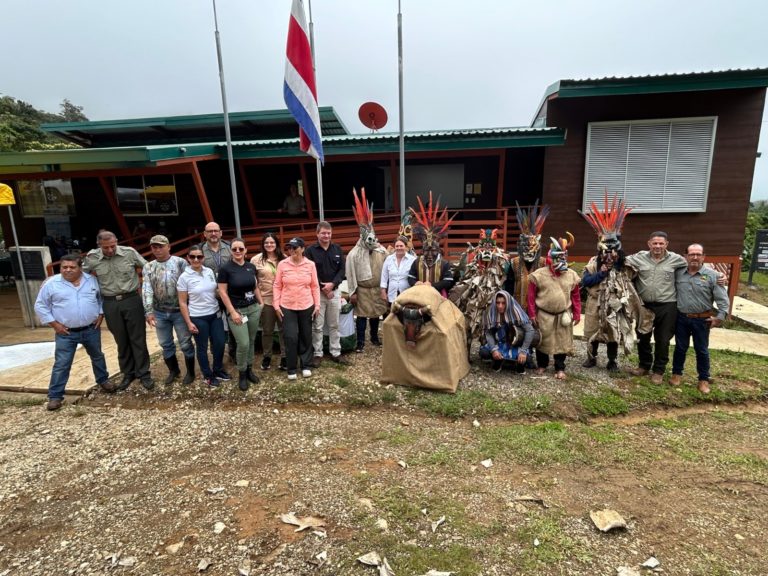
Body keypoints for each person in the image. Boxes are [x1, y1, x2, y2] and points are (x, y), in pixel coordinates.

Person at [579, 194, 651, 372]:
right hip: (595, 304)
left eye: (613, 250)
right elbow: (585, 281)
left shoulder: (625, 266)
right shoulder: (592, 263)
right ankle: (591, 358)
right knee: (593, 333)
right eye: (606, 250)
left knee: (613, 333)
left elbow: (635, 280)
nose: (609, 255)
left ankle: (612, 360)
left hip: (616, 305)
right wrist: (601, 274)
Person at [34, 254, 111, 410]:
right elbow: (40, 306)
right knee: (62, 364)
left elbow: (100, 299)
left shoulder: (92, 280)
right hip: (66, 333)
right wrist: (55, 325)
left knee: (97, 356)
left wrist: (101, 314)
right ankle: (55, 396)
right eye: (64, 267)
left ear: (80, 267)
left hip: (91, 329)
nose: (67, 270)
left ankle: (103, 381)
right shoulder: (52, 284)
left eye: (72, 267)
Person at [83, 230, 153, 390]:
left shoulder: (129, 253)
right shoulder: (92, 257)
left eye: (112, 246)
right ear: (99, 245)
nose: (109, 250)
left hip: (131, 299)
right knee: (121, 340)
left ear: (116, 242)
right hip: (110, 303)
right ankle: (128, 373)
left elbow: (148, 269)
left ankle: (144, 373)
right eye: (105, 247)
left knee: (138, 339)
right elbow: (83, 277)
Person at [625, 231, 687, 384]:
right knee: (643, 337)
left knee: (663, 339)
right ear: (649, 244)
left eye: (661, 243)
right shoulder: (638, 258)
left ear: (666, 244)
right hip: (644, 306)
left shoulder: (677, 260)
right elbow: (621, 262)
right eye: (655, 243)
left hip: (667, 306)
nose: (658, 246)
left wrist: (718, 276)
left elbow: (695, 266)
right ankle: (644, 366)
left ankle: (658, 370)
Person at [670, 244, 730, 394]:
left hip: (702, 320)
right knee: (680, 348)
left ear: (703, 256)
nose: (695, 257)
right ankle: (676, 375)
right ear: (686, 256)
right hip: (682, 318)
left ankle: (703, 380)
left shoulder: (713, 276)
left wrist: (720, 317)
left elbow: (722, 299)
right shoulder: (678, 273)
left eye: (698, 254)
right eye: (691, 254)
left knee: (701, 350)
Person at [142, 235, 195, 387]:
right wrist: (148, 311)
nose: (157, 249)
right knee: (165, 343)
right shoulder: (148, 267)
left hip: (179, 310)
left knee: (185, 342)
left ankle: (190, 372)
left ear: (168, 246)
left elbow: (189, 284)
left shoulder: (180, 263)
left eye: (160, 246)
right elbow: (146, 289)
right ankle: (174, 370)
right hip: (159, 311)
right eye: (154, 247)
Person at [527, 234, 581, 379]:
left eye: (564, 257)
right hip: (544, 314)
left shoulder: (571, 275)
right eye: (558, 257)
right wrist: (532, 314)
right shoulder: (538, 275)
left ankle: (560, 367)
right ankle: (542, 365)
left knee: (562, 342)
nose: (561, 260)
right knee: (542, 341)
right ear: (551, 257)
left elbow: (575, 295)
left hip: (563, 314)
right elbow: (531, 296)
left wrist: (577, 313)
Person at [345, 188, 389, 352]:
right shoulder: (354, 254)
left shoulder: (381, 251)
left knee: (376, 315)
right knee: (362, 316)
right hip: (362, 291)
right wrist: (352, 292)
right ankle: (361, 341)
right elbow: (350, 274)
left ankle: (375, 338)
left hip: (377, 289)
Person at [178, 245, 227, 387]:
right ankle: (208, 375)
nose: (196, 259)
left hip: (215, 313)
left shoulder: (209, 271)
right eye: (192, 256)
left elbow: (215, 291)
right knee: (202, 346)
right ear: (188, 258)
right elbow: (182, 302)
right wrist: (188, 322)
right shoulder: (184, 277)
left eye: (199, 256)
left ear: (203, 258)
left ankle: (218, 370)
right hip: (198, 316)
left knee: (219, 343)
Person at [272, 237, 321, 380]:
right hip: (287, 305)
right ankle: (291, 367)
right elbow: (277, 285)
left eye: (295, 248)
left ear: (303, 249)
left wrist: (317, 305)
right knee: (291, 337)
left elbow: (314, 286)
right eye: (289, 248)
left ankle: (306, 365)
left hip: (306, 304)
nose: (291, 250)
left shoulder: (310, 265)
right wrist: (276, 305)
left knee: (306, 336)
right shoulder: (282, 264)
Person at [217, 238, 262, 391]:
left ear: (245, 251)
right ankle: (242, 373)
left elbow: (255, 287)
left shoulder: (251, 267)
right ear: (231, 251)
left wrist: (261, 304)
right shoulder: (225, 269)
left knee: (251, 340)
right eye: (234, 249)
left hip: (253, 308)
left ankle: (250, 369)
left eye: (240, 249)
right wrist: (232, 312)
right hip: (237, 311)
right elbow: (222, 292)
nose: (237, 251)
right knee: (243, 343)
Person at [305, 221, 350, 367]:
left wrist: (332, 285)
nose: (326, 236)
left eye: (329, 233)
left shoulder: (337, 248)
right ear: (317, 234)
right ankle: (317, 354)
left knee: (334, 324)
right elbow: (309, 272)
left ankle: (335, 352)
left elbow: (342, 271)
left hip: (334, 292)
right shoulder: (310, 251)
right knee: (317, 325)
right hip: (317, 293)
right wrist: (323, 287)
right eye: (323, 233)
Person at [407, 192, 455, 296]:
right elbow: (410, 277)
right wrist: (415, 283)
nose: (429, 255)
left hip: (437, 295)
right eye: (426, 250)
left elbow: (448, 281)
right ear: (422, 250)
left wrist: (432, 285)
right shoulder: (417, 262)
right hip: (419, 295)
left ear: (438, 250)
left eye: (432, 250)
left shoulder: (444, 263)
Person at [199, 221, 235, 360]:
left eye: (215, 230)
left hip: (230, 293)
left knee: (233, 323)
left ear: (220, 233)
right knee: (215, 327)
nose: (213, 233)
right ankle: (217, 354)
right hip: (211, 296)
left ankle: (233, 352)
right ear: (205, 234)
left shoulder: (229, 247)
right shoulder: (200, 250)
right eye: (210, 231)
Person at [251, 232, 287, 370]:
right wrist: (259, 301)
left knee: (284, 329)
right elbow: (253, 282)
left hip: (283, 300)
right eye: (266, 243)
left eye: (272, 242)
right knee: (267, 330)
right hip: (266, 300)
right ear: (263, 244)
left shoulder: (284, 259)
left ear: (277, 244)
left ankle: (284, 356)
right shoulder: (256, 260)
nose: (269, 245)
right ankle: (267, 356)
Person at [479, 290, 536, 372]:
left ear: (508, 303)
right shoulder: (491, 312)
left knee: (527, 360)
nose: (500, 306)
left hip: (516, 344)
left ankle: (515, 363)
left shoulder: (516, 312)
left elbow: (530, 330)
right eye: (498, 303)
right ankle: (498, 360)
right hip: (500, 343)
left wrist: (523, 351)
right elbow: (489, 333)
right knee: (484, 353)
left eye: (503, 303)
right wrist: (494, 349)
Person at [380, 235, 416, 304]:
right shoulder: (388, 259)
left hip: (407, 296)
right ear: (394, 247)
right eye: (397, 246)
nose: (399, 248)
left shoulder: (412, 260)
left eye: (401, 246)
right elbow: (384, 276)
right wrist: (383, 291)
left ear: (405, 247)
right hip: (392, 295)